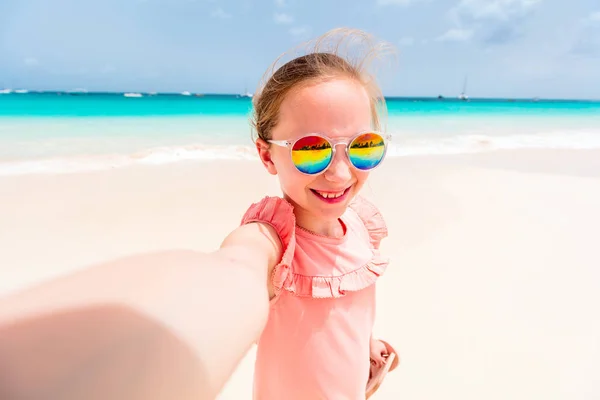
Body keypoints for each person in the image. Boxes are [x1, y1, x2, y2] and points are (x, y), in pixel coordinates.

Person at [0, 27, 398, 400]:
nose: (342, 172)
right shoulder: (273, 241)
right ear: (266, 154)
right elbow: (231, 270)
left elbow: (344, 312)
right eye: (313, 149)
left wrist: (365, 346)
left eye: (363, 146)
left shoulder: (361, 227)